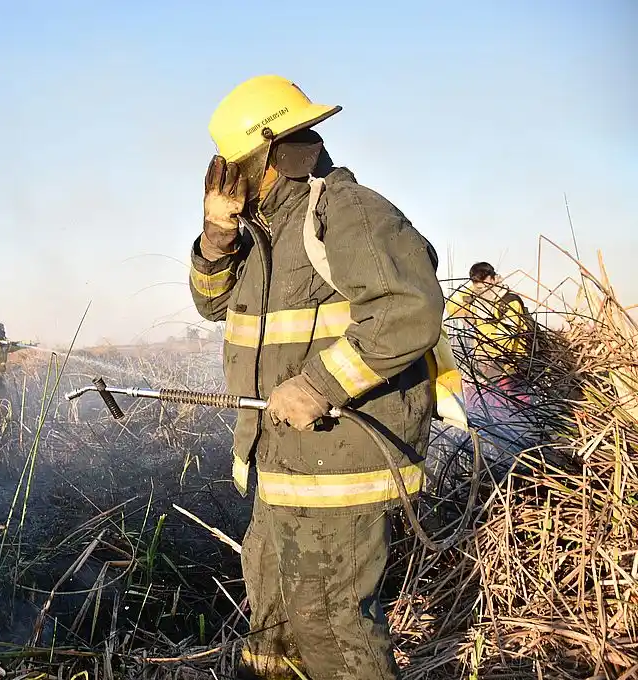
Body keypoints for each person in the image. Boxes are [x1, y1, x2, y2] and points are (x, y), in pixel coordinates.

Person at [189, 75, 445, 679]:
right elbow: (210, 303)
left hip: (337, 467)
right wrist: (218, 236)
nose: (230, 179)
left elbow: (410, 309)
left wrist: (317, 385)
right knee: (272, 627)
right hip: (280, 464)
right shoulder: (262, 233)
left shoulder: (346, 211)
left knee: (331, 629)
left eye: (237, 165)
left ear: (270, 155)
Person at [446, 262, 532, 386]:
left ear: (493, 279)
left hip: (512, 367)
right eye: (479, 287)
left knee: (513, 397)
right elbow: (452, 303)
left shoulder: (509, 301)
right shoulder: (477, 302)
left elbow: (507, 338)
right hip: (486, 365)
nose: (484, 290)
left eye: (486, 285)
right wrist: (472, 290)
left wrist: (491, 361)